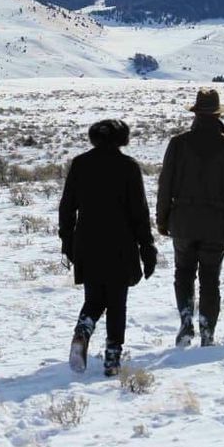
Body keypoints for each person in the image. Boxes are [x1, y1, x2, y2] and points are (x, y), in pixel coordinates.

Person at [59, 119, 157, 376]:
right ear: (122, 139)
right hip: (120, 243)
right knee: (116, 301)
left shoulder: (80, 164)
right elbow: (139, 213)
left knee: (94, 298)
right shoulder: (128, 167)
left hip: (87, 242)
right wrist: (147, 248)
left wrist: (67, 241)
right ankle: (112, 358)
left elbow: (67, 207)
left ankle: (82, 331)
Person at [157, 88, 224, 347]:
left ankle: (186, 323)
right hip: (216, 223)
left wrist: (162, 219)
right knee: (211, 278)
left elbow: (165, 184)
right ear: (218, 114)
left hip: (183, 221)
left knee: (183, 273)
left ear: (196, 113)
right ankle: (207, 331)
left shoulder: (178, 143)